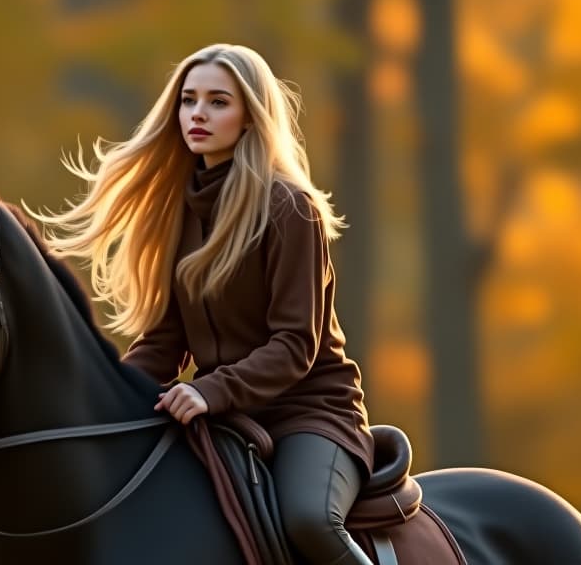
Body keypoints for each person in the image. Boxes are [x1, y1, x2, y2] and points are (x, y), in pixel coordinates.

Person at [34, 43, 376, 565]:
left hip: (310, 413)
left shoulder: (289, 208)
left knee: (309, 519)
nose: (198, 113)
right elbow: (165, 343)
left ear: (249, 117)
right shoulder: (179, 209)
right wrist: (100, 397)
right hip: (222, 415)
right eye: (189, 100)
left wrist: (210, 390)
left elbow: (294, 344)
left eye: (218, 101)